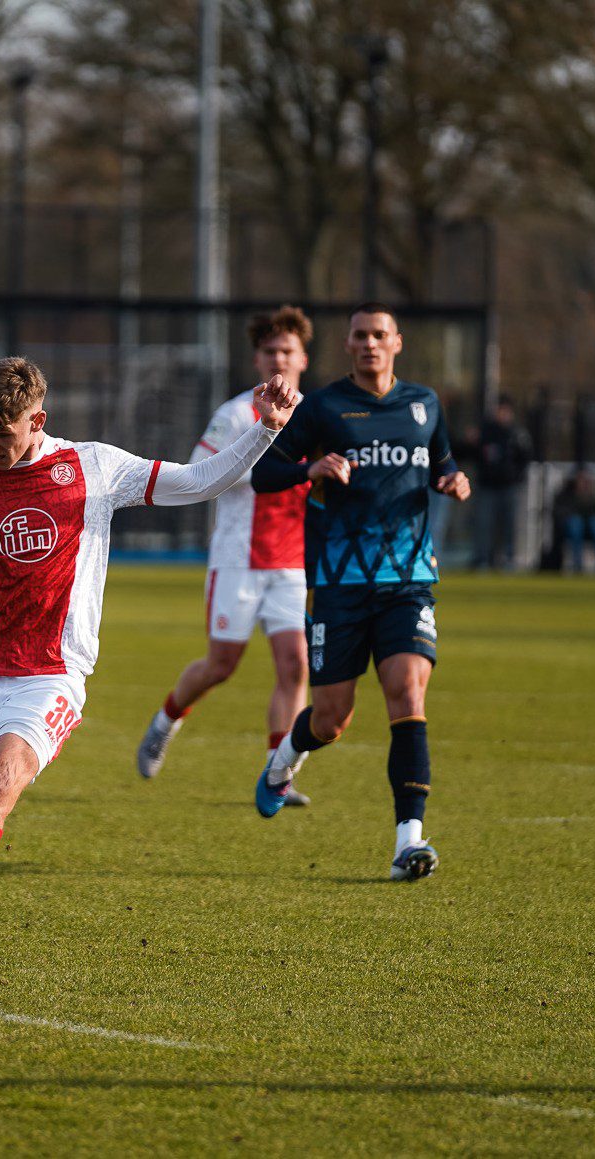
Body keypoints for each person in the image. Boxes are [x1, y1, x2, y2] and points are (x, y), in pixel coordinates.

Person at [0, 357, 301, 983]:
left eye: (5, 436)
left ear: (37, 420)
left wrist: (265, 429)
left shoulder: (95, 467)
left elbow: (199, 481)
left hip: (49, 674)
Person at [248, 304, 471, 881]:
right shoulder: (322, 406)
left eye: (379, 334)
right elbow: (264, 473)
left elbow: (443, 461)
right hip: (338, 584)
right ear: (347, 345)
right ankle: (283, 762)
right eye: (359, 335)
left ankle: (408, 842)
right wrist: (311, 469)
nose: (369, 343)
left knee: (406, 690)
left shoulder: (424, 405)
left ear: (397, 341)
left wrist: (454, 478)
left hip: (407, 581)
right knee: (331, 719)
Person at [134, 306, 317, 802]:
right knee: (221, 665)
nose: (279, 358)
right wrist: (260, 449)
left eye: (288, 350)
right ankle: (166, 719)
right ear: (258, 358)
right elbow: (196, 473)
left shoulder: (318, 415)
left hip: (291, 563)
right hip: (237, 558)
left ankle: (279, 772)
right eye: (270, 350)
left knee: (295, 666)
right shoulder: (237, 414)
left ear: (303, 357)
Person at [471, 397, 533, 570]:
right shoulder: (486, 432)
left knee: (509, 525)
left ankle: (508, 558)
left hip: (509, 487)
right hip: (487, 486)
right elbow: (473, 454)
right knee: (484, 524)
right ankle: (482, 559)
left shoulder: (517, 434)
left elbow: (525, 458)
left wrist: (516, 478)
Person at [559, 469, 595, 574]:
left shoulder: (593, 497)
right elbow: (566, 512)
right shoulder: (569, 496)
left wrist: (586, 495)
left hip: (590, 528)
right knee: (576, 524)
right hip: (575, 528)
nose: (583, 483)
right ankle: (578, 565)